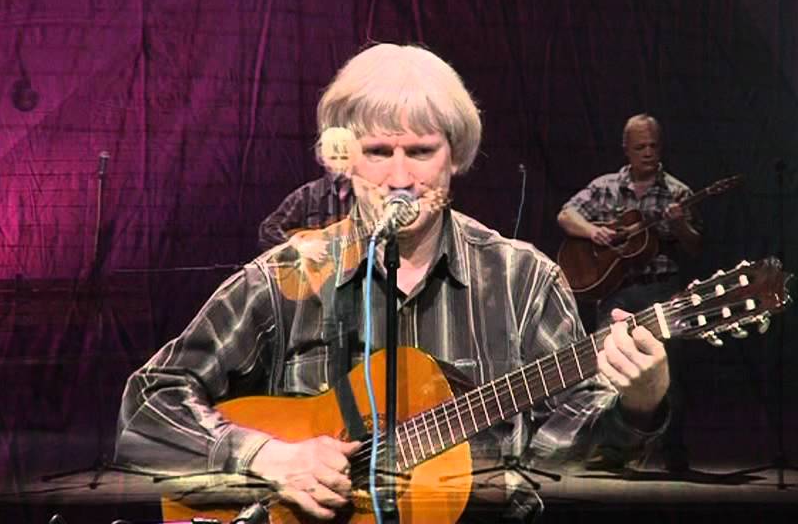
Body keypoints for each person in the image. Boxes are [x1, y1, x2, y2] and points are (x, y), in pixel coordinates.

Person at [115, 44, 671, 522]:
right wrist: (268, 457)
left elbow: (568, 443)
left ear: (455, 157)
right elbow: (147, 408)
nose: (400, 178)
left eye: (421, 152)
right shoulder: (288, 276)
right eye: (378, 152)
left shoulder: (523, 280)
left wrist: (639, 401)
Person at [556, 113, 702, 473]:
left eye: (653, 146)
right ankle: (613, 447)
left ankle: (673, 450)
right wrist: (593, 232)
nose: (648, 153)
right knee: (608, 366)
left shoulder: (677, 192)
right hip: (617, 292)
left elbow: (696, 247)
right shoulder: (605, 186)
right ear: (626, 149)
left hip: (662, 290)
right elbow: (565, 215)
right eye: (640, 147)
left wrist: (680, 225)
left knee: (668, 370)